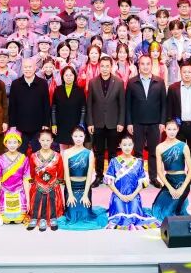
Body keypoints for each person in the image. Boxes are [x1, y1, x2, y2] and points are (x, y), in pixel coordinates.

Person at [126, 55, 168, 185]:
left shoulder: (159, 82)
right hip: (137, 122)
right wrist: (129, 123)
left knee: (153, 152)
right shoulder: (132, 82)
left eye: (148, 64)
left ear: (151, 65)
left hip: (155, 123)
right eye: (142, 64)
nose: (145, 66)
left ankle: (153, 178)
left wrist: (162, 122)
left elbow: (164, 104)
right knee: (138, 152)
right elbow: (128, 105)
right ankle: (139, 177)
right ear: (139, 65)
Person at [104, 134, 159, 230]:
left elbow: (142, 183)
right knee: (119, 217)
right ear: (120, 145)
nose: (127, 147)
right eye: (124, 145)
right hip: (118, 195)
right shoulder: (114, 161)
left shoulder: (138, 162)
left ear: (133, 145)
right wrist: (120, 195)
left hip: (134, 195)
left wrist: (133, 195)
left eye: (130, 145)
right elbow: (109, 182)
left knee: (135, 217)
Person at [57, 127, 108, 230]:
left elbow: (89, 175)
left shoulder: (89, 153)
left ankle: (86, 201)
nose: (78, 139)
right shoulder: (66, 153)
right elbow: (66, 175)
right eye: (75, 136)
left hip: (85, 187)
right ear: (72, 137)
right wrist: (70, 195)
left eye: (80, 136)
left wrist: (85, 195)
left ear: (84, 137)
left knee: (85, 216)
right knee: (72, 216)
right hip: (71, 188)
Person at [87, 56, 125, 187]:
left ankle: (112, 175)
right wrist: (90, 122)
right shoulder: (92, 82)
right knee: (99, 152)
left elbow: (122, 105)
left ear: (111, 67)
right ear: (99, 66)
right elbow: (89, 104)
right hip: (97, 123)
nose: (104, 69)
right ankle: (99, 176)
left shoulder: (119, 82)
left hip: (113, 123)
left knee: (113, 152)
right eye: (102, 66)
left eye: (107, 66)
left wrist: (121, 122)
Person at [167, 64, 191, 188]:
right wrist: (170, 125)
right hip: (178, 126)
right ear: (181, 73)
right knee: (178, 153)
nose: (187, 74)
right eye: (184, 72)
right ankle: (177, 177)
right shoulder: (173, 88)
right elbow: (169, 108)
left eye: (189, 72)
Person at [151, 120, 191, 220]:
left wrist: (182, 188)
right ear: (165, 129)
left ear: (178, 130)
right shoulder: (159, 147)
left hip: (181, 181)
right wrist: (170, 188)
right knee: (157, 210)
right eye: (169, 129)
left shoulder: (184, 146)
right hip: (168, 181)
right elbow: (159, 172)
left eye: (174, 129)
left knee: (170, 213)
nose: (172, 132)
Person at [8, 58, 51, 153]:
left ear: (35, 68)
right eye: (25, 67)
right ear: (22, 69)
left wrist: (46, 123)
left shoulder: (42, 83)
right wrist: (12, 125)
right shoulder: (16, 84)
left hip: (38, 126)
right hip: (20, 126)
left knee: (38, 154)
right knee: (20, 154)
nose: (27, 69)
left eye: (30, 67)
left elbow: (46, 105)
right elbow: (12, 106)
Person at [27, 130, 66, 231]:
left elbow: (60, 173)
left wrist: (56, 183)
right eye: (43, 140)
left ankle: (53, 217)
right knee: (37, 197)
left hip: (53, 184)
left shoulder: (57, 156)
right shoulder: (33, 156)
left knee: (52, 197)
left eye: (48, 140)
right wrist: (34, 182)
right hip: (38, 184)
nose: (45, 143)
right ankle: (36, 217)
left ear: (52, 140)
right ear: (39, 140)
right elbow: (32, 172)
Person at [0, 128, 31, 224]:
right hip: (5, 193)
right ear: (5, 143)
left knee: (19, 220)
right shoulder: (0, 159)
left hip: (19, 193)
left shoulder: (24, 159)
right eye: (9, 142)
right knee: (6, 220)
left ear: (19, 143)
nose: (12, 145)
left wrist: (28, 200)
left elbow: (26, 180)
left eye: (15, 142)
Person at [52, 66, 86, 148]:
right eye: (66, 75)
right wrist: (54, 124)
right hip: (61, 125)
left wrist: (81, 124)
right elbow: (53, 109)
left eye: (71, 75)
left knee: (74, 149)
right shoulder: (58, 90)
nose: (68, 77)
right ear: (62, 77)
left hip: (75, 125)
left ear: (74, 76)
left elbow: (83, 109)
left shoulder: (80, 91)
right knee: (63, 150)